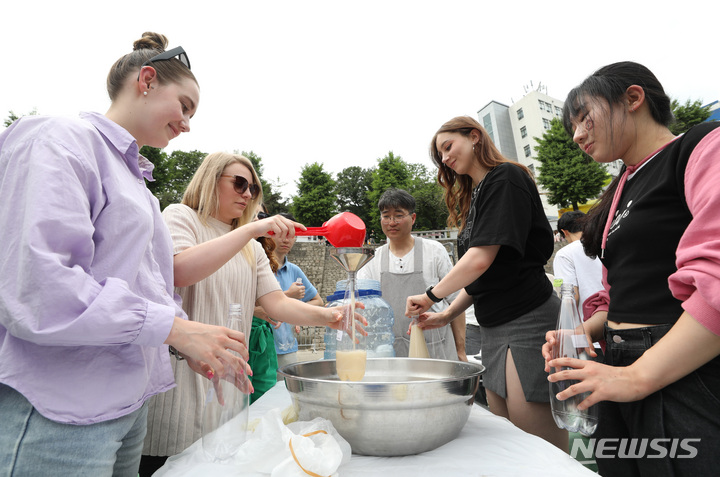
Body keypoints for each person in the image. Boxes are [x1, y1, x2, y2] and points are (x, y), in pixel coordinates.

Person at [0, 32, 250, 477]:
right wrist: (174, 329)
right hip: (62, 411)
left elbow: (147, 286)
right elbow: (40, 287)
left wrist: (182, 340)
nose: (188, 123)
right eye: (186, 105)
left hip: (127, 406)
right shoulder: (59, 139)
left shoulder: (137, 184)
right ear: (147, 80)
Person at [543, 62, 720, 475]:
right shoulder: (622, 186)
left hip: (681, 370)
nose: (577, 135)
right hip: (618, 365)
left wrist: (639, 376)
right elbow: (618, 295)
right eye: (572, 126)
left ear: (633, 98)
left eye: (585, 117)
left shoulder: (700, 147)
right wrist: (581, 332)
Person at [141, 152, 356, 475]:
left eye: (253, 188)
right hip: (179, 379)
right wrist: (250, 230)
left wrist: (330, 315)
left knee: (223, 459)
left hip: (228, 383)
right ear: (209, 181)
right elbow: (180, 270)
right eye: (239, 184)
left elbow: (277, 304)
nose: (247, 194)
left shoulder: (252, 247)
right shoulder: (181, 216)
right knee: (167, 464)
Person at [406, 116, 566, 450]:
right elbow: (481, 276)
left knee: (536, 447)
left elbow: (480, 259)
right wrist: (446, 314)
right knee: (506, 441)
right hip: (494, 325)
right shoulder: (477, 195)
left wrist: (431, 295)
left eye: (448, 147)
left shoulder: (506, 178)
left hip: (527, 318)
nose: (446, 158)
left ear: (475, 136)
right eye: (440, 156)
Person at [358, 188, 465, 359]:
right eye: (386, 216)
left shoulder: (434, 251)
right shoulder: (372, 259)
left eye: (399, 215)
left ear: (413, 218)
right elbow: (363, 304)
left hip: (436, 349)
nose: (392, 222)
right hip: (390, 353)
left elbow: (457, 302)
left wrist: (461, 350)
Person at [255, 212, 324, 370]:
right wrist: (288, 297)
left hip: (287, 348)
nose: (286, 239)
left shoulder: (294, 270)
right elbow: (249, 306)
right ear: (269, 234)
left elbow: (318, 301)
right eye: (281, 234)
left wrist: (295, 315)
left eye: (292, 235)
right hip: (260, 347)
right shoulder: (258, 267)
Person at [247, 203, 280, 404]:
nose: (257, 220)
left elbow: (277, 302)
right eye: (251, 213)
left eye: (260, 215)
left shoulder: (260, 253)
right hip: (240, 335)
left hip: (263, 337)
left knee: (266, 399)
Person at [552, 210, 603, 319]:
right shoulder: (603, 244)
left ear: (564, 232)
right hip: (613, 313)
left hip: (587, 320)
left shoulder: (564, 254)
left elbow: (570, 297)